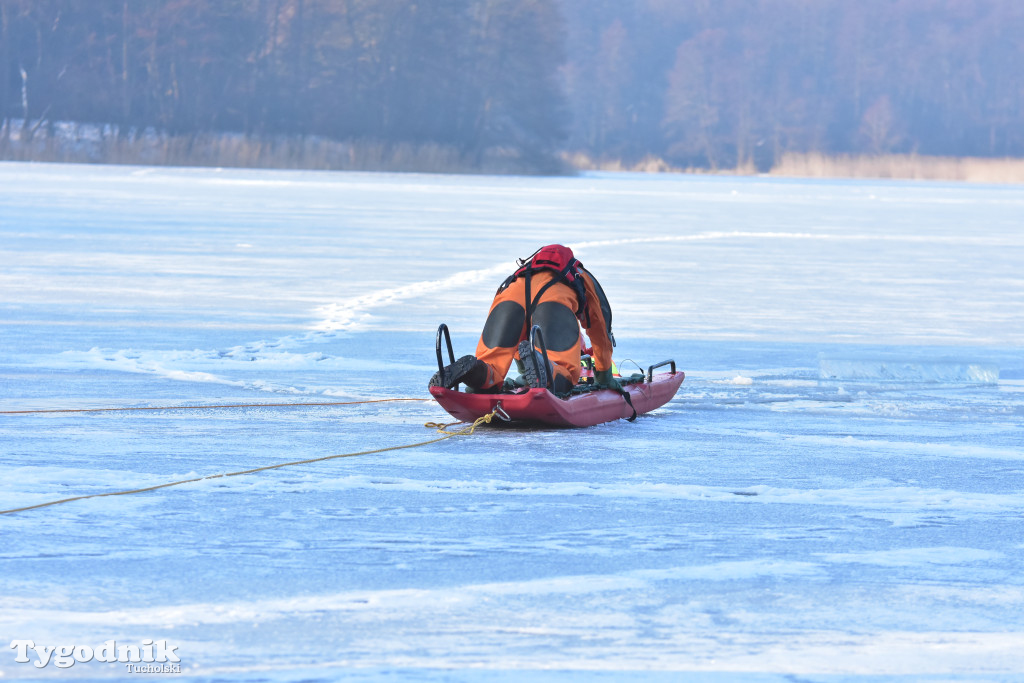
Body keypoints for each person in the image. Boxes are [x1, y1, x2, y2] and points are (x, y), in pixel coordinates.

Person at [430, 244, 621, 394]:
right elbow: (600, 327)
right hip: (554, 302)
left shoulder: (518, 276)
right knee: (564, 372)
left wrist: (522, 367)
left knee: (492, 369)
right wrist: (604, 374)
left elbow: (515, 330)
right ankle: (547, 371)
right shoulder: (581, 276)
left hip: (508, 298)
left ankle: (475, 370)